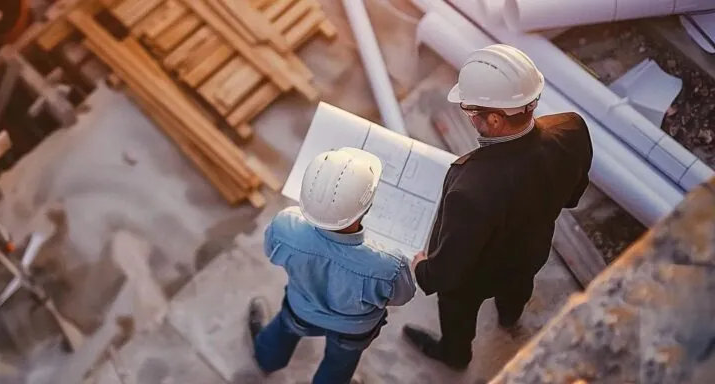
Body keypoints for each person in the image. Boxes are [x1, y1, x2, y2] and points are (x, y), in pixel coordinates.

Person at [402, 44, 594, 370]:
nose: (469, 117)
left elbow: (446, 273)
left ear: (493, 118)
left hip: (475, 279)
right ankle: (509, 317)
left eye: (469, 110)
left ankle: (456, 355)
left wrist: (423, 268)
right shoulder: (571, 129)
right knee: (517, 289)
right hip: (531, 254)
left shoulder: (469, 186)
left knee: (457, 310)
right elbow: (574, 194)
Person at [247, 147, 418, 384]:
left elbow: (270, 251)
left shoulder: (285, 225)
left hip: (301, 308)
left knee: (283, 331)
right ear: (366, 207)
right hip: (354, 329)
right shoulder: (388, 264)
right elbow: (402, 296)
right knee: (339, 364)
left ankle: (266, 359)